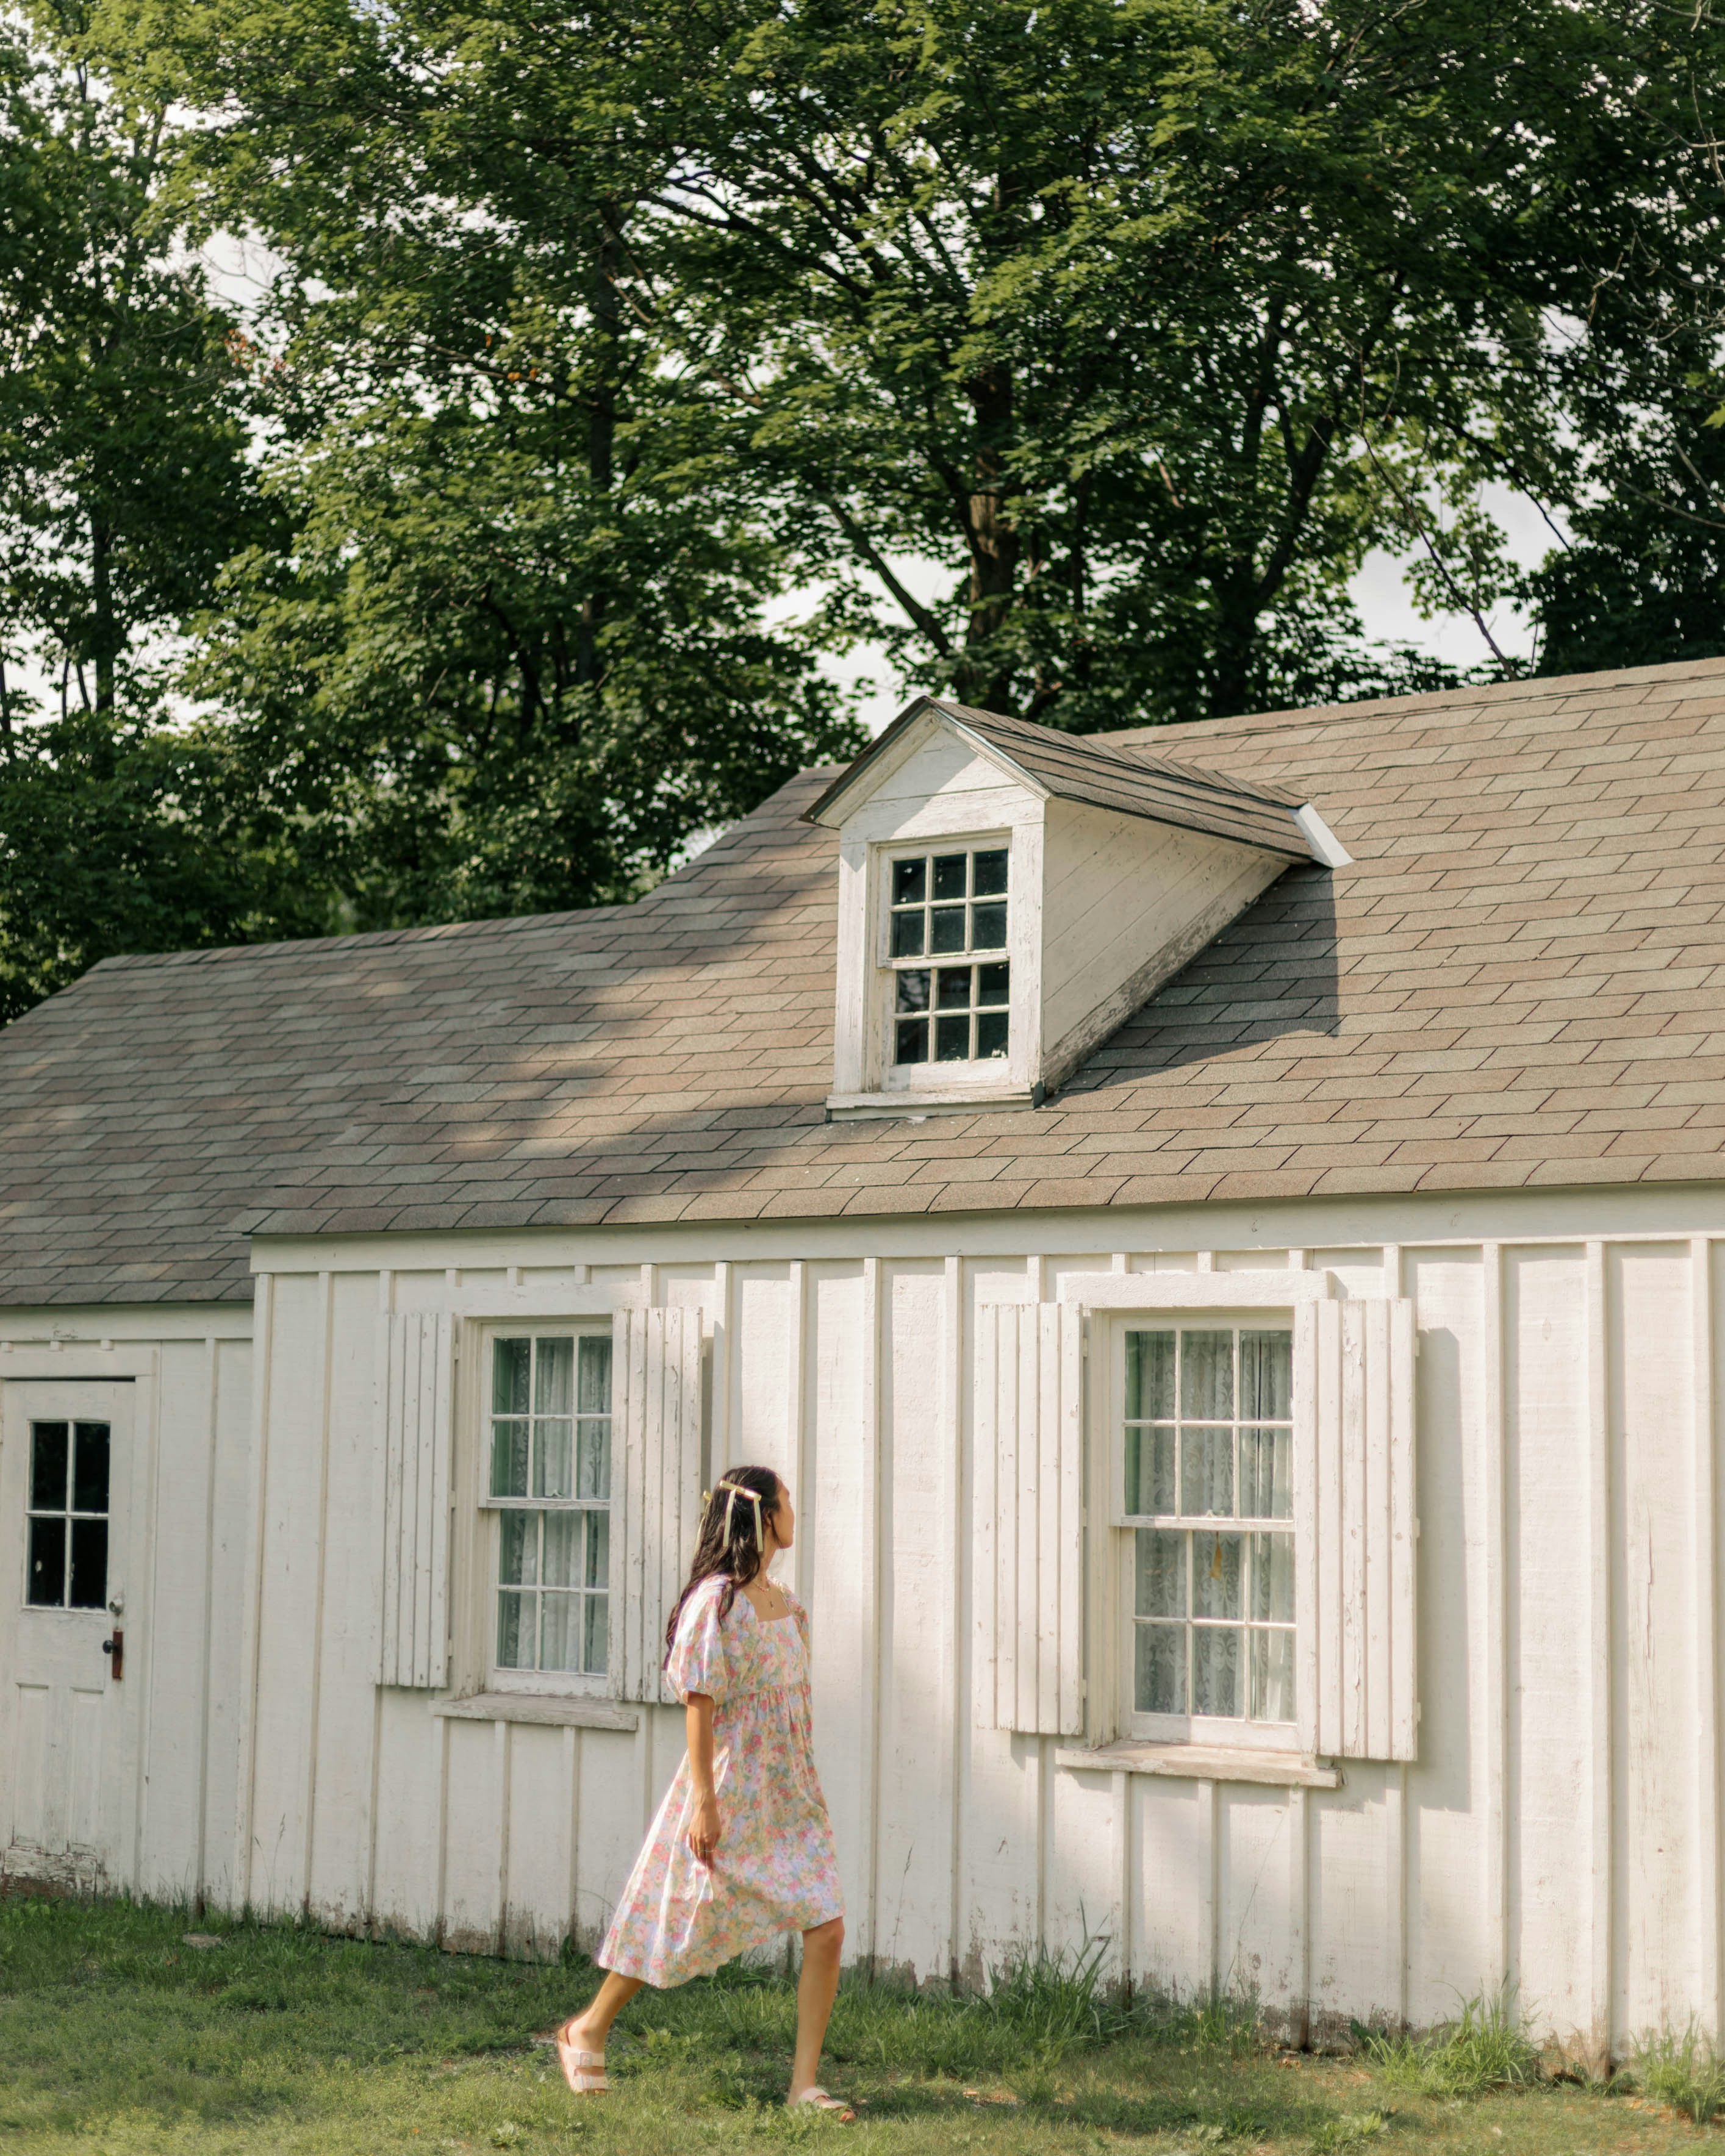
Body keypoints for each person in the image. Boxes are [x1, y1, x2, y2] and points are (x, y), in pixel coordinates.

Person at [556, 1464, 852, 2118]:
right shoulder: (715, 1601)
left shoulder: (785, 1603)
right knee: (676, 1918)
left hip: (789, 1796)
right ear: (765, 1516)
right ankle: (588, 2028)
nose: (795, 1513)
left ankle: (803, 2086)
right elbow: (699, 1699)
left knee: (825, 1926)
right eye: (789, 1503)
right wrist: (703, 1800)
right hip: (728, 1790)